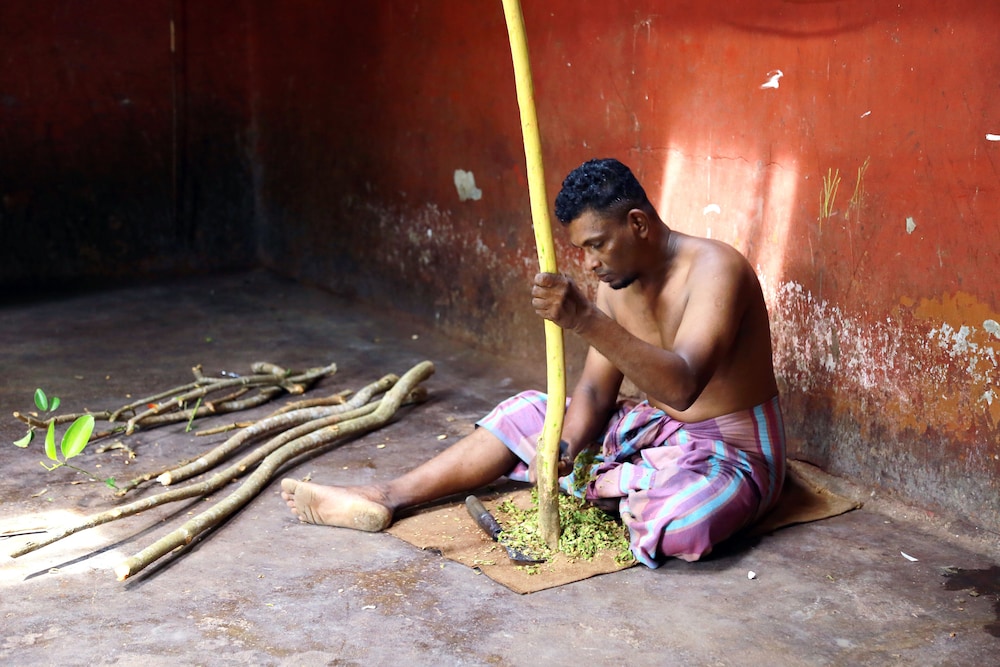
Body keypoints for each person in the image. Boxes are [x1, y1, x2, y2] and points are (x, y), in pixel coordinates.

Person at [281, 158, 785, 567]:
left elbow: (682, 387)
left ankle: (624, 485)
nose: (588, 264)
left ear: (638, 223)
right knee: (528, 413)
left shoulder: (717, 269)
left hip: (732, 449)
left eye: (596, 245)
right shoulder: (616, 286)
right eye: (581, 251)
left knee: (684, 524)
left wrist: (584, 319)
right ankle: (386, 494)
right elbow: (593, 393)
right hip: (655, 430)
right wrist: (562, 447)